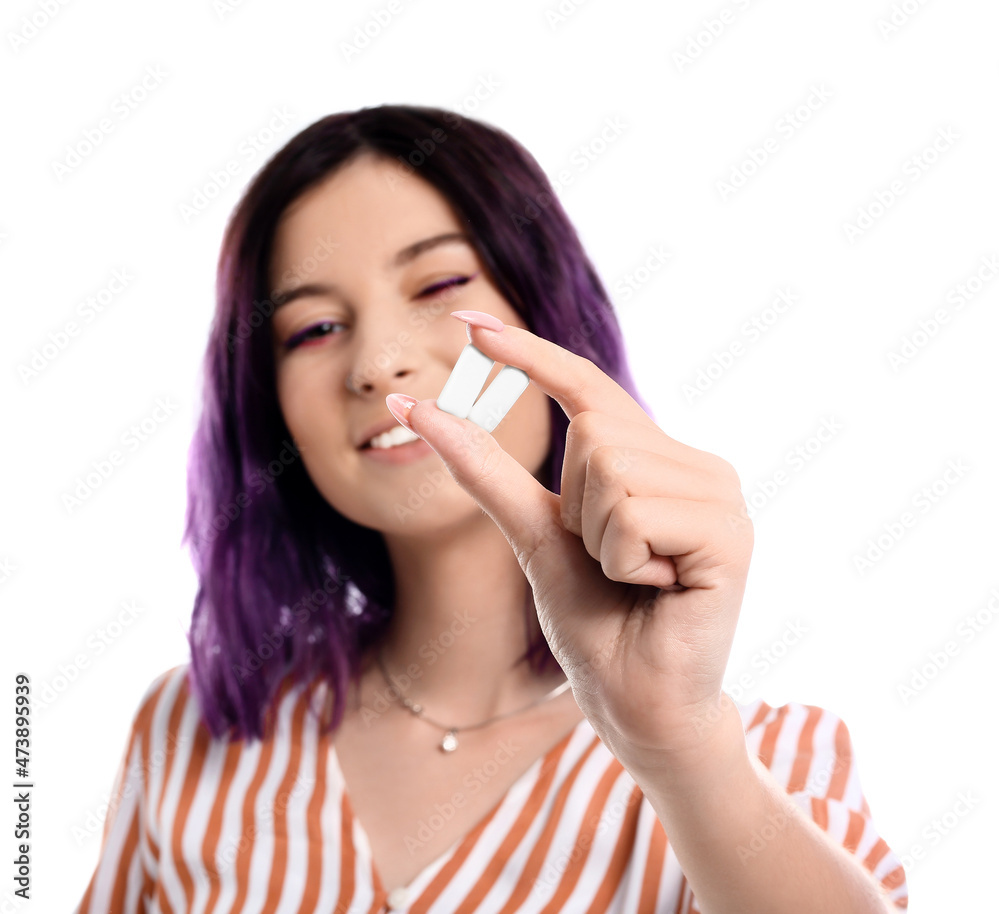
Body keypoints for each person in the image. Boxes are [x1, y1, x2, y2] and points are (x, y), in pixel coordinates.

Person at [73, 104, 909, 913]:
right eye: (316, 328)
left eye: (437, 283)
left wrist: (680, 747)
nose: (379, 362)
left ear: (550, 317)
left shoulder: (764, 763)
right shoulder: (184, 733)